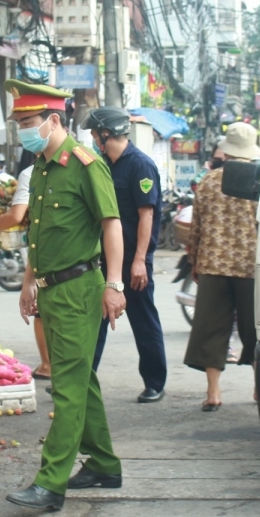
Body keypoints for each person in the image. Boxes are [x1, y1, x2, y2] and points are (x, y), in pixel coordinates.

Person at [2, 79, 126, 512]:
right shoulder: (40, 169)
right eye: (18, 123)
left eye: (29, 122)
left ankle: (51, 483)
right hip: (51, 289)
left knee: (67, 387)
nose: (24, 130)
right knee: (80, 382)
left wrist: (115, 284)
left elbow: (111, 223)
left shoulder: (86, 163)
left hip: (79, 289)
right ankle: (105, 466)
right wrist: (28, 281)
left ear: (54, 120)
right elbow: (37, 235)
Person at [86, 106, 168, 403]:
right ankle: (83, 378)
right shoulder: (103, 164)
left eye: (95, 134)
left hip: (134, 259)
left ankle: (155, 382)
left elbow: (146, 216)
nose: (94, 139)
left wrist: (139, 261)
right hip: (107, 259)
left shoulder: (140, 166)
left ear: (106, 133)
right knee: (95, 321)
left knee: (143, 321)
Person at [182, 121, 260, 412]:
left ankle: (213, 393)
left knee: (211, 329)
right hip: (251, 267)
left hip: (213, 265)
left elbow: (196, 228)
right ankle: (257, 388)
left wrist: (195, 262)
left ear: (225, 151)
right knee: (255, 330)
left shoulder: (208, 181)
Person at [0, 161, 51, 380]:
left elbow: (16, 215)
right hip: (69, 257)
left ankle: (49, 366)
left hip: (46, 254)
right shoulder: (82, 165)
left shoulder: (30, 174)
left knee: (44, 312)